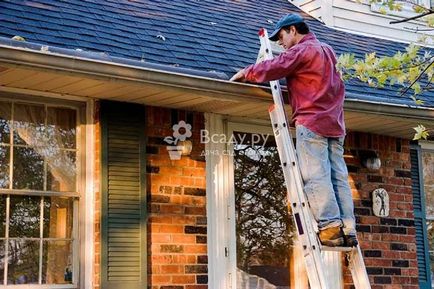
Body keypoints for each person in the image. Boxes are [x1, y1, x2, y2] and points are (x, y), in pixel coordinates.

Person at [230, 13, 358, 247]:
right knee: (338, 176)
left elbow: (277, 66)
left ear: (292, 30)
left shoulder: (303, 50)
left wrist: (248, 72)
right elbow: (334, 88)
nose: (280, 44)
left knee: (315, 175)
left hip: (312, 123)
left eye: (280, 37)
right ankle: (347, 228)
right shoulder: (328, 51)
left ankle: (329, 227)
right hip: (335, 124)